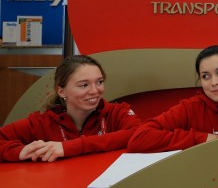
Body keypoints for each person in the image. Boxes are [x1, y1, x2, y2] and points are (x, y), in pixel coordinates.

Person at [0, 55, 141, 162]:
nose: (95, 91)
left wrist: (68, 147)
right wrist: (20, 151)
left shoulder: (117, 112)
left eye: (99, 82)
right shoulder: (41, 122)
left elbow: (137, 134)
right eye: (84, 85)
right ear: (61, 91)